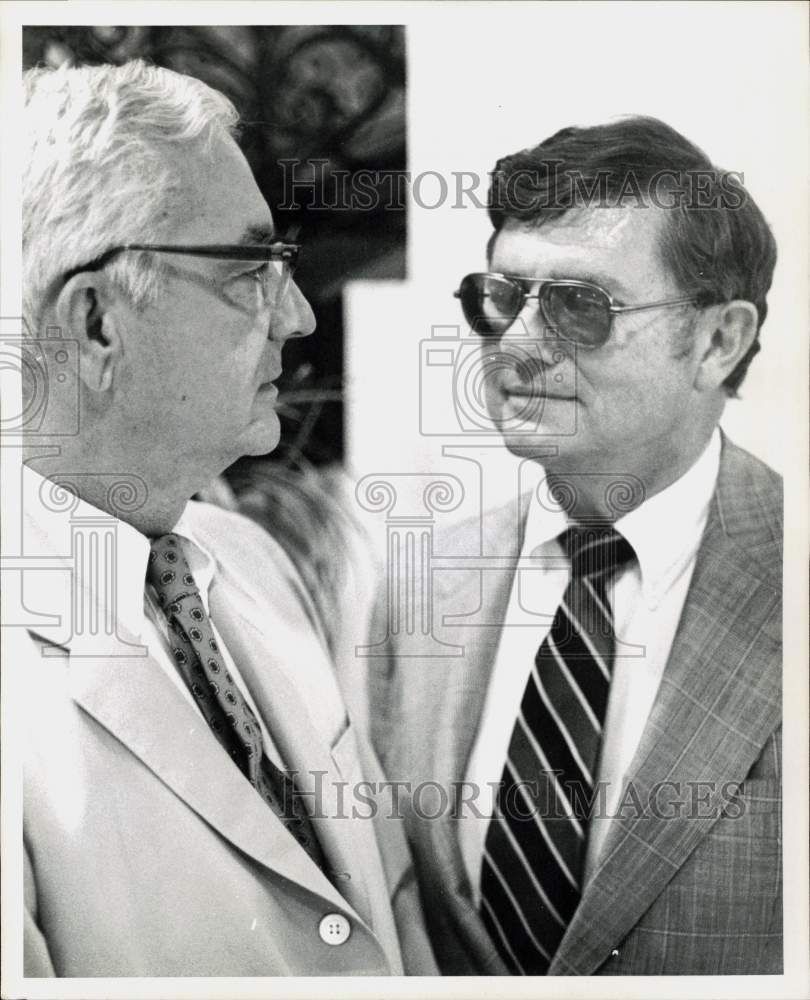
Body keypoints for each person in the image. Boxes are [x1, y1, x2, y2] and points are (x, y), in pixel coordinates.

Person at [16, 60, 436, 978]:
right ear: (96, 323)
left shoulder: (244, 558)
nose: (294, 316)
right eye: (251, 267)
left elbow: (387, 918)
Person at [368, 117, 782, 975]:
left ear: (717, 342)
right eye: (501, 297)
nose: (517, 343)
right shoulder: (423, 585)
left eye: (579, 306)